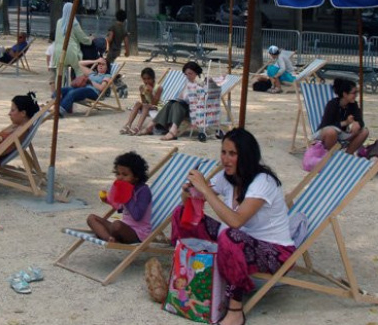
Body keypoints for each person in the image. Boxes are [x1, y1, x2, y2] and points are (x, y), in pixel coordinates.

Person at [172, 128, 295, 325]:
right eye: (223, 152)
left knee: (230, 235)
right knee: (180, 213)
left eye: (232, 154)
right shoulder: (227, 177)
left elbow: (236, 221)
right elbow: (192, 204)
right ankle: (185, 275)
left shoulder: (263, 181)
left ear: (245, 156)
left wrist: (205, 189)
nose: (226, 159)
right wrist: (189, 192)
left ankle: (235, 310)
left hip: (274, 252)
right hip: (236, 243)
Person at [87, 151, 152, 243]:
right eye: (118, 174)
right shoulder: (125, 187)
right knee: (91, 218)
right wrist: (107, 200)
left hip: (137, 233)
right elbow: (121, 209)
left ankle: (106, 235)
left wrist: (127, 196)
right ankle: (109, 238)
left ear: (136, 176)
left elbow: (137, 216)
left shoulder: (143, 191)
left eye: (125, 175)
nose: (120, 177)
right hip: (122, 227)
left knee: (116, 225)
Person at [147, 61, 203, 141]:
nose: (188, 76)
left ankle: (172, 131)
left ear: (196, 73)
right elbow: (181, 96)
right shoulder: (188, 83)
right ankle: (152, 125)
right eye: (186, 74)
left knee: (177, 105)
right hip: (183, 107)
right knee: (171, 103)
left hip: (194, 110)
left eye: (190, 74)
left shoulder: (200, 84)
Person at [314, 78, 369, 155]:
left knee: (364, 131)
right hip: (325, 134)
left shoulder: (353, 105)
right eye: (354, 93)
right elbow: (327, 125)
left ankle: (347, 155)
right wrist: (345, 123)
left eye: (356, 92)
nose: (356, 95)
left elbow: (360, 120)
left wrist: (358, 124)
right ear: (345, 94)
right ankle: (331, 155)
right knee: (331, 131)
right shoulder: (332, 105)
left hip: (341, 135)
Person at [52, 2, 92, 80]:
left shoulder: (59, 22)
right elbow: (83, 39)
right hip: (71, 52)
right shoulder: (74, 23)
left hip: (59, 52)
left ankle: (58, 87)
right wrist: (90, 39)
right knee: (79, 70)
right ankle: (79, 85)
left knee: (59, 75)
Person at [120, 67, 162, 135]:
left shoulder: (158, 88)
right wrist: (142, 94)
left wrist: (151, 93)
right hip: (147, 106)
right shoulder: (142, 86)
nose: (146, 81)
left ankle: (138, 127)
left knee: (145, 106)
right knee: (138, 103)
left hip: (157, 107)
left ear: (153, 78)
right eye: (144, 79)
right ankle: (128, 124)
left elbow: (154, 103)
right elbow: (144, 102)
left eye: (149, 79)